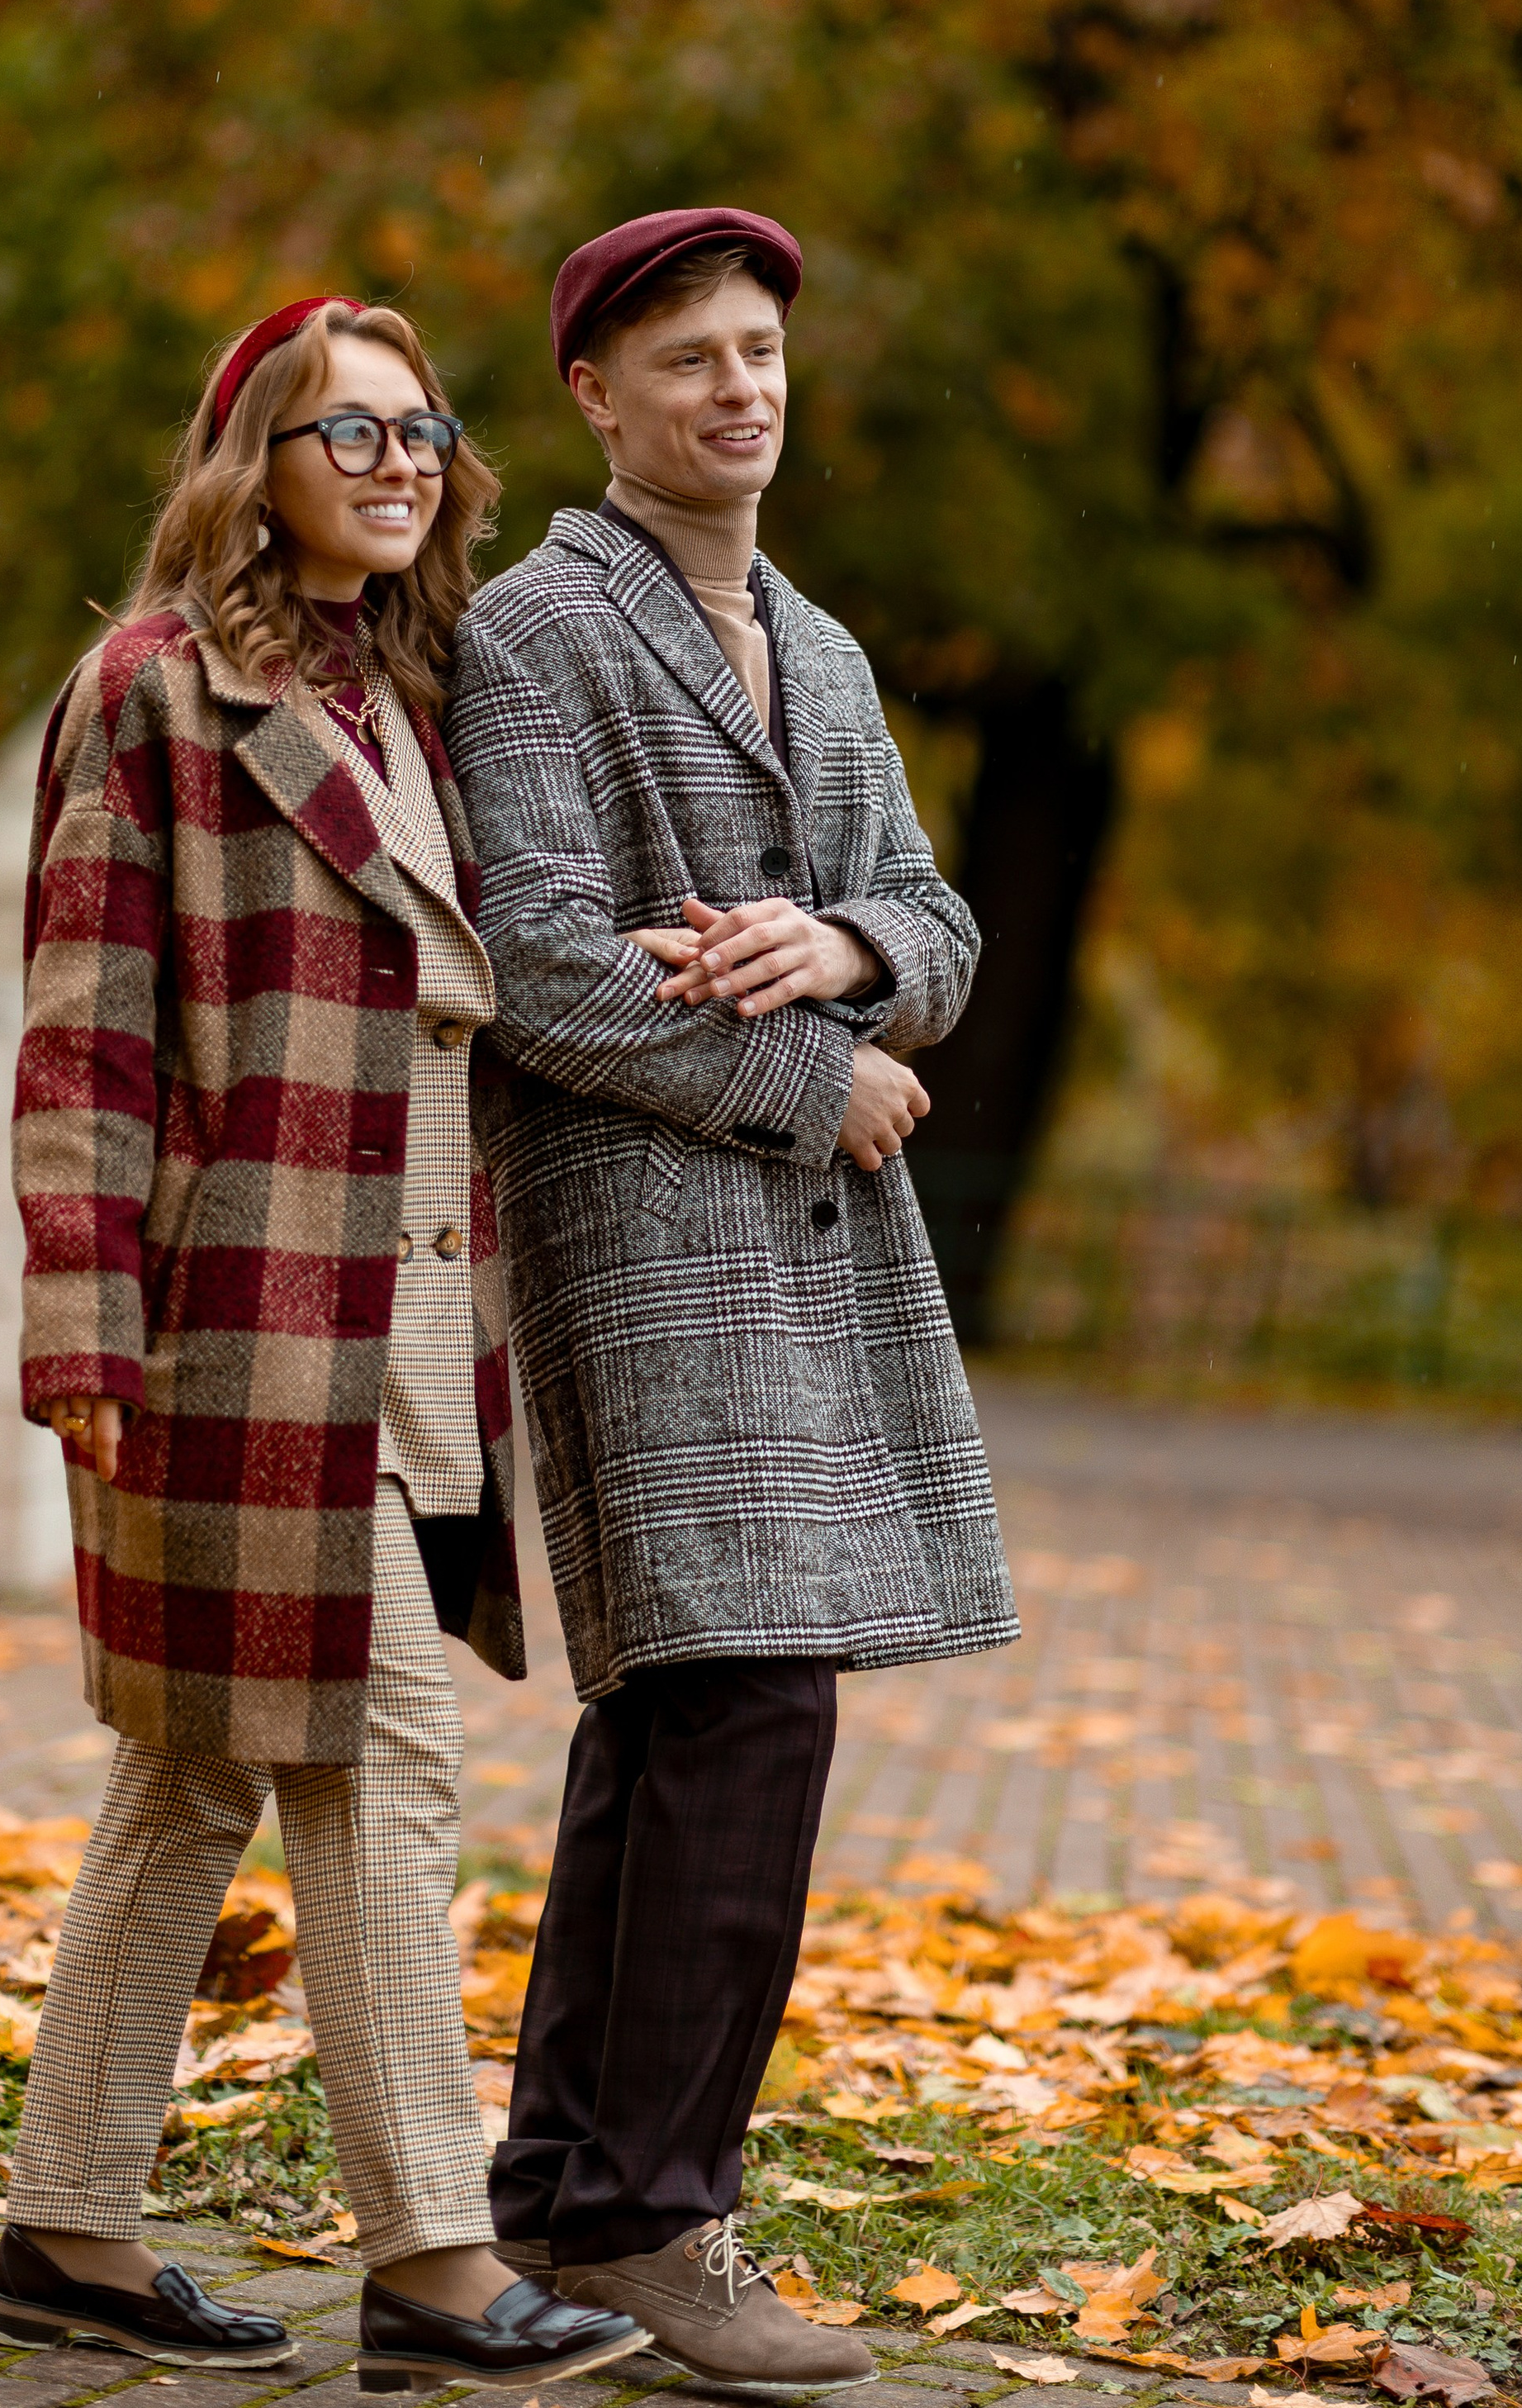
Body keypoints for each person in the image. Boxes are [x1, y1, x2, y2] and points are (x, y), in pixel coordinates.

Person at [0, 294, 652, 2396]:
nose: (390, 464)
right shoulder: (154, 694)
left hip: (407, 1328)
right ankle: (436, 2265)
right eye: (341, 432)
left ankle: (68, 2237)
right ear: (246, 459)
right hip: (238, 1327)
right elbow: (84, 1030)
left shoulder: (408, 700)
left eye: (417, 432)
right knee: (382, 1762)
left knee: (184, 1779)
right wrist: (80, 1313)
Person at [444, 208, 1019, 2399]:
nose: (739, 390)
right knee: (745, 1701)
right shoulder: (539, 635)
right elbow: (557, 969)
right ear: (595, 397)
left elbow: (941, 912)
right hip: (644, 1226)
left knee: (688, 1712)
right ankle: (661, 2219)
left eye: (762, 351)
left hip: (805, 1243)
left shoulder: (831, 647)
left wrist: (849, 950)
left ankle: (576, 2213)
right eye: (687, 360)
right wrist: (825, 1065)